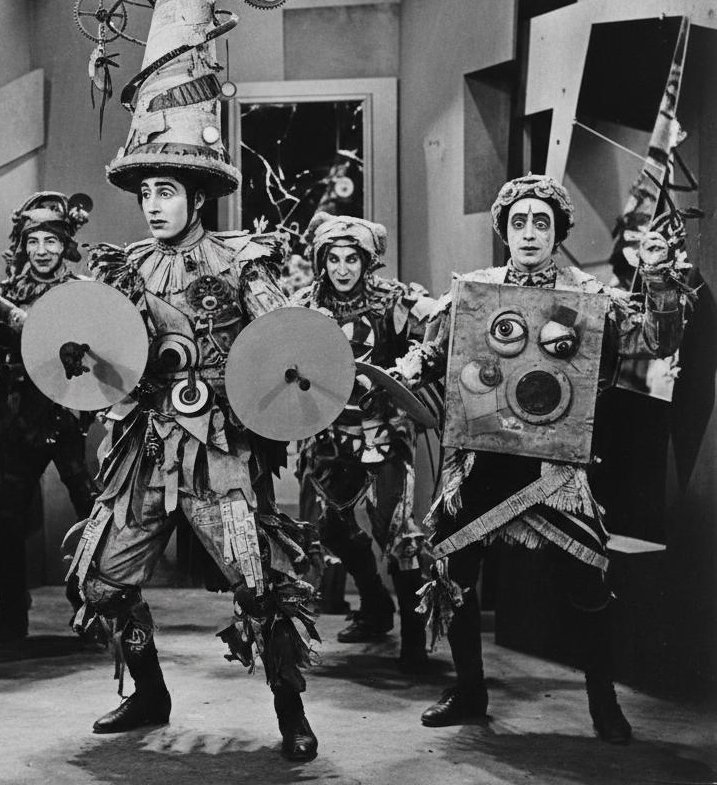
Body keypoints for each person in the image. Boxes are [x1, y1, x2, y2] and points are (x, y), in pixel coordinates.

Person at [403, 174, 685, 742]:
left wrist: (657, 276)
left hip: (554, 465)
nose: (529, 232)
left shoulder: (589, 295)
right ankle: (470, 690)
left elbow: (657, 343)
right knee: (454, 573)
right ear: (504, 230)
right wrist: (414, 367)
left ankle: (603, 701)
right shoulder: (474, 292)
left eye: (541, 222)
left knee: (586, 579)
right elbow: (436, 352)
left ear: (558, 231)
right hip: (483, 455)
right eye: (519, 222)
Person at [67, 171, 322, 760]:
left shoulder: (240, 261)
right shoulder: (127, 266)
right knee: (102, 581)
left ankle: (292, 713)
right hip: (146, 445)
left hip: (219, 447)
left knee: (260, 586)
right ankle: (150, 694)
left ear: (199, 198)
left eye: (167, 193)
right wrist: (84, 352)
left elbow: (284, 337)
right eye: (146, 195)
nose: (153, 206)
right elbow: (103, 345)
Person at [293, 212, 433, 668]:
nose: (342, 269)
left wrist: (407, 370)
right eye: (333, 259)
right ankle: (375, 607)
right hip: (328, 435)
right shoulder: (303, 305)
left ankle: (414, 642)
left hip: (383, 431)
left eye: (351, 259)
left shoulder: (394, 300)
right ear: (321, 261)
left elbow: (437, 330)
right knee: (328, 529)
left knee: (398, 533)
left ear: (367, 261)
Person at [0, 192, 97, 641]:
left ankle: (96, 608)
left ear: (65, 245)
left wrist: (1, 307)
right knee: (5, 513)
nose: (41, 250)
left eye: (51, 241)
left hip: (65, 411)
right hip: (19, 413)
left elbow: (51, 336)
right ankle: (12, 612)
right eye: (33, 240)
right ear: (22, 244)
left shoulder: (80, 292)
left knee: (90, 510)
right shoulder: (8, 289)